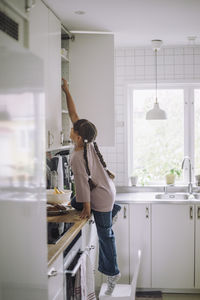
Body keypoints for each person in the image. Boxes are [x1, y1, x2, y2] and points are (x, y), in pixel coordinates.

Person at [62, 78, 121, 295]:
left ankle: (113, 272)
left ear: (77, 136)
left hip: (102, 197)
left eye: (72, 129)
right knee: (73, 203)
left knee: (106, 235)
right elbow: (74, 115)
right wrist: (67, 90)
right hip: (107, 190)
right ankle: (115, 210)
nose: (70, 128)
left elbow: (82, 186)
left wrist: (87, 210)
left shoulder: (78, 156)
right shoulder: (87, 140)